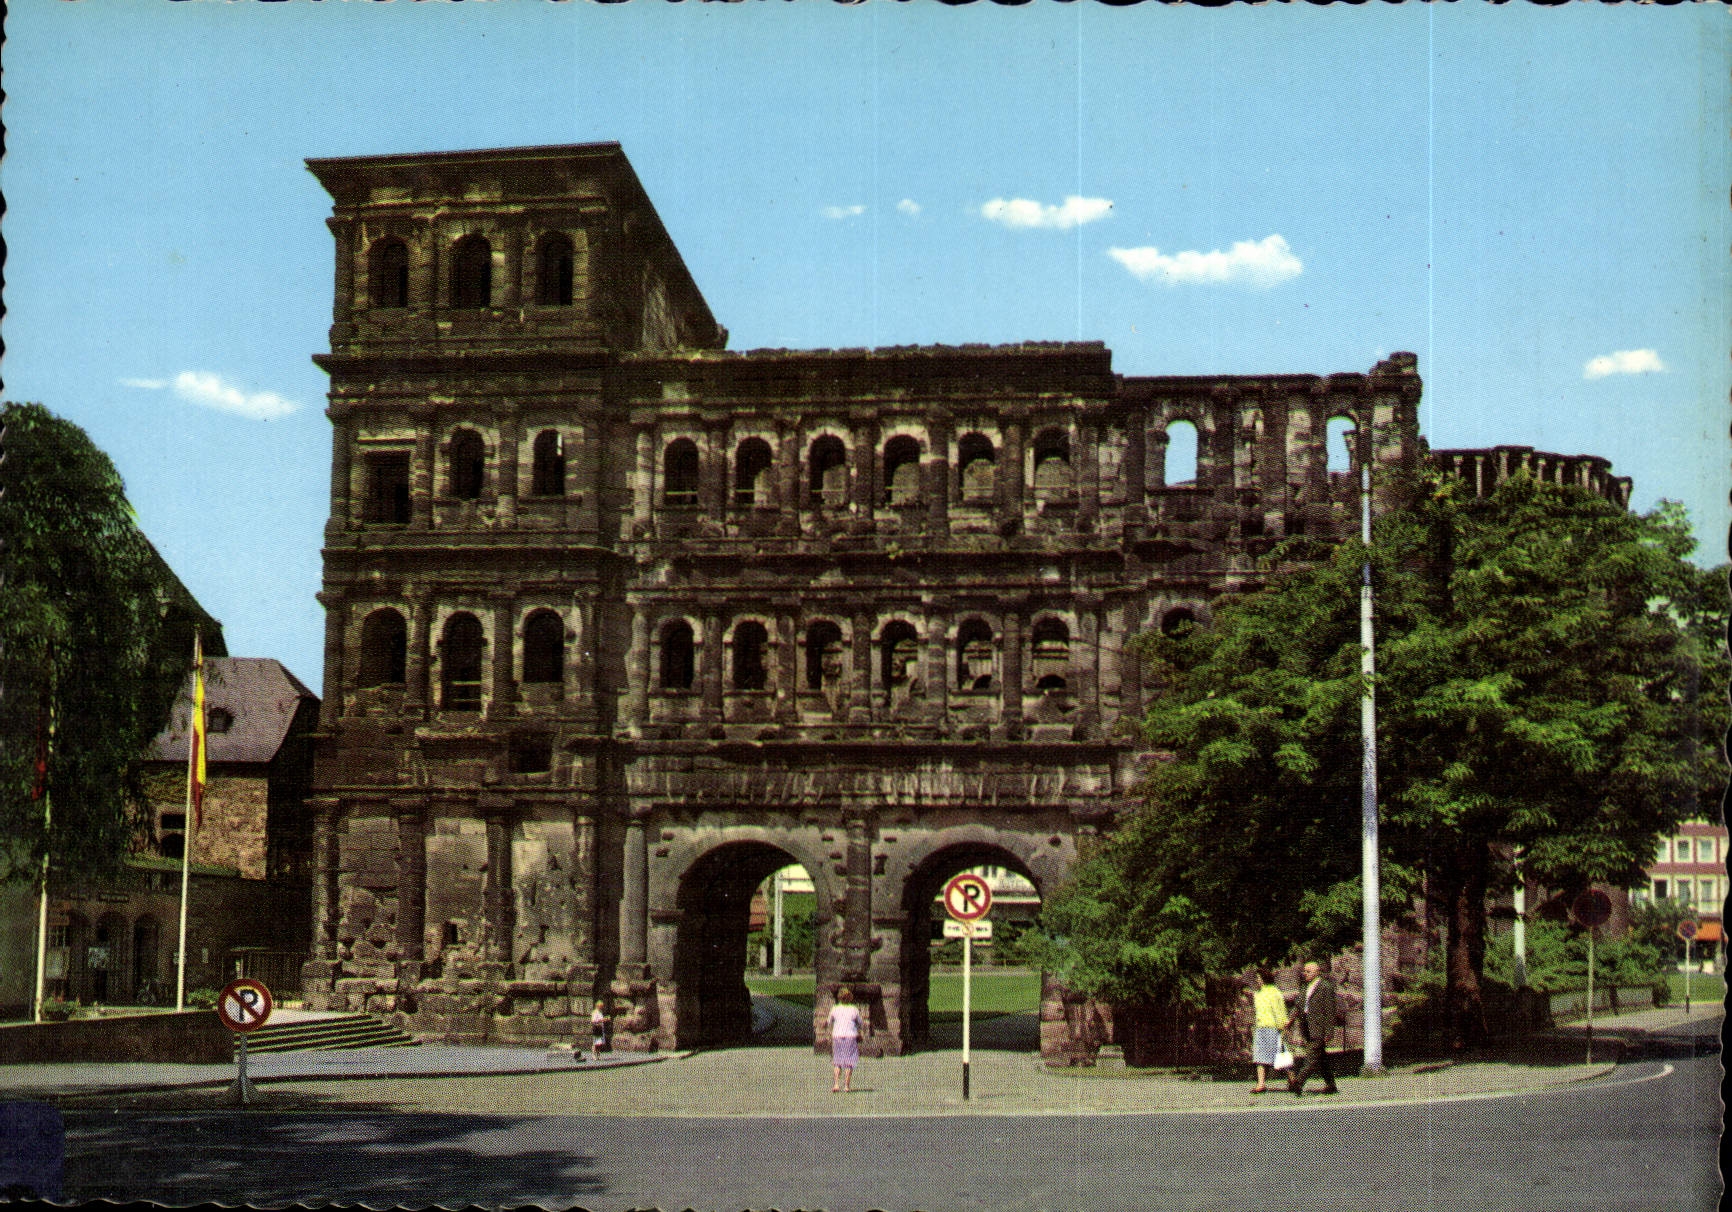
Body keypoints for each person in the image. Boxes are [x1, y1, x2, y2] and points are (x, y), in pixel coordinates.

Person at [1289, 960, 1338, 1096]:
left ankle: (1298, 1082)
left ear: (1317, 972)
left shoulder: (1325, 987)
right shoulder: (1305, 987)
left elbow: (1330, 1011)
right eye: (1304, 971)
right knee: (1321, 1058)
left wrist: (1329, 1032)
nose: (1305, 974)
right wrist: (1290, 1020)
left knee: (1311, 1057)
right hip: (1307, 1027)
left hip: (1319, 1029)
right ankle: (1331, 1084)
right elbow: (1298, 1005)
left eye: (1308, 971)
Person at [1248, 967, 1289, 1093]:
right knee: (1259, 1056)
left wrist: (1282, 1026)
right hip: (1261, 1028)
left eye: (1259, 978)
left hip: (1272, 1028)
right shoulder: (1258, 993)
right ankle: (1261, 1084)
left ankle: (1292, 1079)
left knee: (1280, 1054)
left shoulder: (1274, 992)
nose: (1257, 980)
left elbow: (1279, 1010)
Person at [827, 985, 863, 1093]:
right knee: (849, 1062)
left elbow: (829, 1021)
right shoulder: (854, 1009)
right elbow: (860, 1023)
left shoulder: (835, 1008)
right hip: (850, 1036)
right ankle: (846, 1086)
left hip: (837, 1036)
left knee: (837, 1061)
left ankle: (836, 1084)